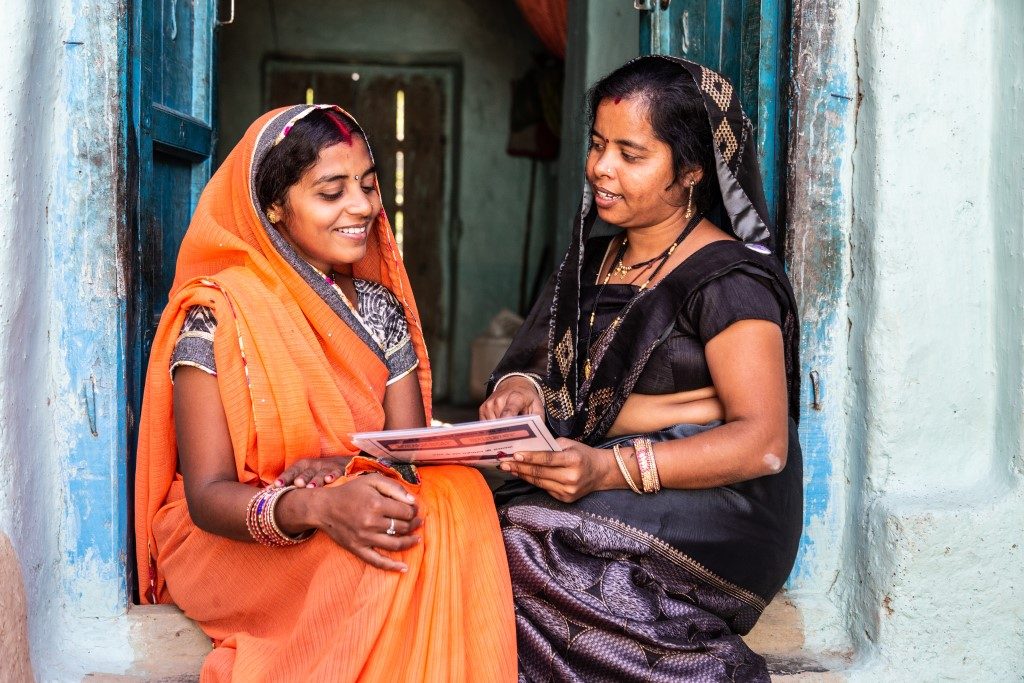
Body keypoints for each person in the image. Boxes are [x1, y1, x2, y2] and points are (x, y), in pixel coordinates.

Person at [135, 105, 516, 682]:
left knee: (454, 497)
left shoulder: (380, 309)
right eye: (331, 192)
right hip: (236, 532)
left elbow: (405, 453)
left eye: (367, 185)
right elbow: (208, 497)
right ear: (274, 208)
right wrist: (316, 506)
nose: (362, 207)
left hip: (345, 492)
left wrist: (343, 468)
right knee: (373, 558)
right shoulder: (218, 315)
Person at [480, 56, 802, 682]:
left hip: (721, 507)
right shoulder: (594, 260)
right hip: (598, 476)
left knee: (515, 545)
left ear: (690, 172)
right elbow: (537, 371)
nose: (601, 168)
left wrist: (608, 466)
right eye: (599, 146)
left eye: (631, 154)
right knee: (455, 521)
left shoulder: (728, 280)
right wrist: (518, 390)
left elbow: (762, 446)